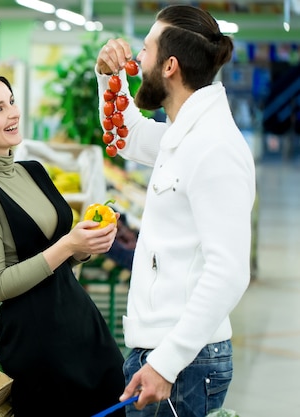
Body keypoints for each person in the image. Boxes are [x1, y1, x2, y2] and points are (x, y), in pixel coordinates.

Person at [95, 5, 256, 417]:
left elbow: (229, 271)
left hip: (182, 363)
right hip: (166, 354)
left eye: (145, 50)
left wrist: (166, 363)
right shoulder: (184, 134)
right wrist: (107, 76)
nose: (137, 59)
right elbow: (127, 137)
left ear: (169, 66)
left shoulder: (214, 147)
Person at [0, 71, 126, 417]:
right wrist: (67, 246)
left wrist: (85, 245)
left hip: (81, 324)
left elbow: (59, 254)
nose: (13, 113)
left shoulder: (32, 171)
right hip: (39, 344)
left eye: (11, 101)